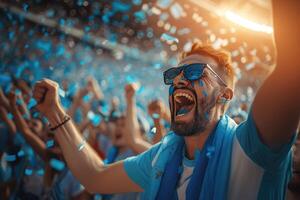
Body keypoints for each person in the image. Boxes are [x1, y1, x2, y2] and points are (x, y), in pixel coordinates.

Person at [32, 1, 300, 199]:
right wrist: (55, 112)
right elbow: (96, 176)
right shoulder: (160, 158)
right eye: (175, 74)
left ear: (224, 94)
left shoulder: (252, 148)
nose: (180, 80)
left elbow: (293, 64)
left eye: (195, 73)